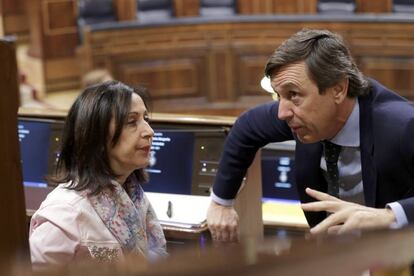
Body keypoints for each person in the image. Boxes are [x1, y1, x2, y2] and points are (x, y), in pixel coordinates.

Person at [207, 28, 414, 242]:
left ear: (338, 90)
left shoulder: (403, 125)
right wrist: (221, 202)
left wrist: (389, 216)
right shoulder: (302, 117)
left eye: (293, 94)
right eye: (279, 96)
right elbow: (246, 127)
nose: (281, 113)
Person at [29, 81, 167, 266]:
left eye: (146, 119)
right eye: (132, 122)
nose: (149, 132)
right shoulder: (63, 214)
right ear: (97, 137)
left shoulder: (133, 196)